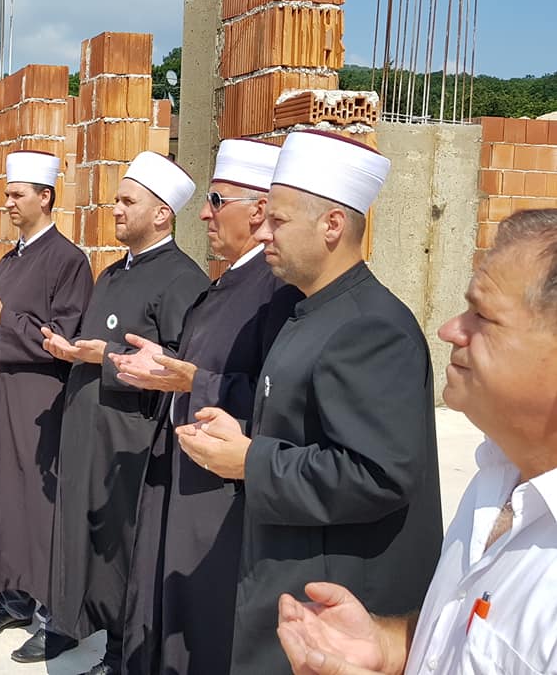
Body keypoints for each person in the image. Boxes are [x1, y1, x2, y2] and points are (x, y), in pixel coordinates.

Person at [167, 130, 443, 674]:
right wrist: (239, 434)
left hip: (337, 598)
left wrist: (249, 461)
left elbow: (378, 474)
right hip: (292, 575)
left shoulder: (371, 328)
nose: (263, 232)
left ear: (332, 225)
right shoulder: (309, 311)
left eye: (278, 221)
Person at [275, 208, 557, 675]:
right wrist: (390, 646)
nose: (450, 330)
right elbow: (469, 637)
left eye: (483, 316)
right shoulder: (496, 478)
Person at [110, 139, 303, 675]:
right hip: (180, 472)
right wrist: (165, 367)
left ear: (258, 210)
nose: (205, 214)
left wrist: (189, 379)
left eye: (217, 200)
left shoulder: (273, 291)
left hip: (219, 490)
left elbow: (272, 394)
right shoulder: (230, 280)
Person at [43, 151, 209, 675]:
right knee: (81, 537)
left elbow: (178, 367)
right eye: (117, 199)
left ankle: (120, 652)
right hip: (89, 431)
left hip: (131, 440)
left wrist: (106, 355)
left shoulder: (183, 279)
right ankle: (71, 623)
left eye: (127, 201)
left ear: (162, 214)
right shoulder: (113, 274)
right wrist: (74, 351)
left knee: (123, 549)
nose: (115, 208)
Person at [0, 150, 93, 663]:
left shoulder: (68, 260)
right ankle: (13, 599)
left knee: (39, 508)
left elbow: (64, 339)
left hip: (38, 400)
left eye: (17, 195)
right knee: (3, 498)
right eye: (7, 194)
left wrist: (1, 316)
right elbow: (0, 321)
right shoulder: (9, 259)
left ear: (45, 197)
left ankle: (57, 619)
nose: (8, 203)